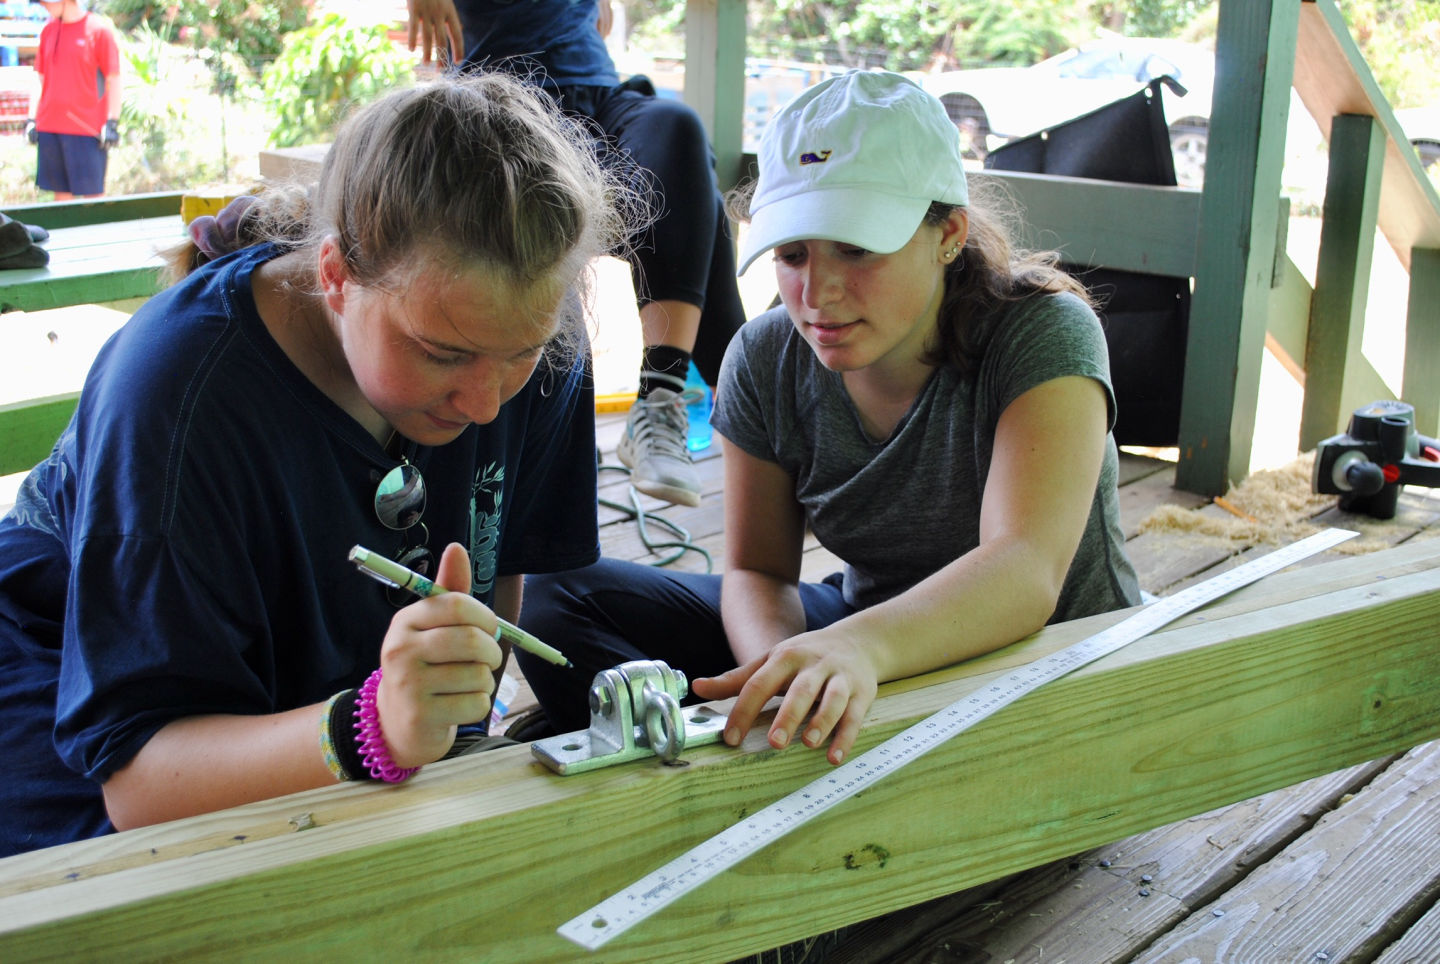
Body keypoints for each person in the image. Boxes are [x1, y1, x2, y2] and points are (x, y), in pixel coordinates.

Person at [0, 73, 635, 856]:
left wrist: (449, 719)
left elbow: (497, 576)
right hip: (71, 674)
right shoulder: (178, 393)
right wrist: (371, 728)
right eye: (443, 354)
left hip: (318, 694)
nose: (483, 405)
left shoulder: (536, 330)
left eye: (519, 354)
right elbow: (139, 783)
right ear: (335, 277)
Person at [512, 70, 1142, 763]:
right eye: (792, 254)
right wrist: (787, 675)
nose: (817, 293)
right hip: (857, 639)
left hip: (1051, 661)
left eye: (857, 248)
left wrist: (855, 649)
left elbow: (1025, 571)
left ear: (949, 233)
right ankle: (774, 737)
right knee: (556, 599)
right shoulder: (764, 355)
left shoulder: (1042, 329)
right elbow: (759, 572)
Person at [406, 0, 747, 508]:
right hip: (503, 113)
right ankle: (754, 430)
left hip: (600, 101)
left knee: (677, 127)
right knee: (703, 216)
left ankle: (662, 396)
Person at [25, 0, 120, 199]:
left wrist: (112, 121)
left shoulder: (98, 31)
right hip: (50, 127)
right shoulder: (48, 31)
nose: (44, 6)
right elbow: (40, 77)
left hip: (86, 129)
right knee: (61, 198)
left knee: (93, 198)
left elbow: (113, 78)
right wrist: (31, 119)